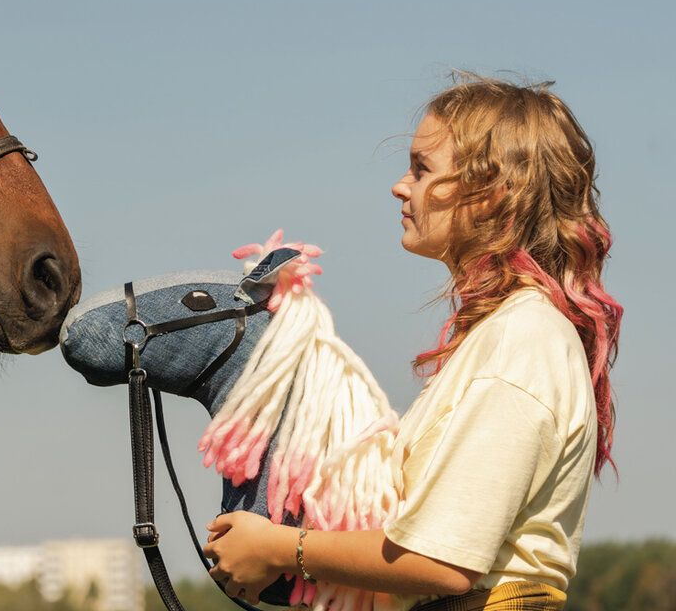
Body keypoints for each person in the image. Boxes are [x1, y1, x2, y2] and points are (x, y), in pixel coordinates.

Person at [202, 75, 622, 611]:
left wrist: (281, 547)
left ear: (491, 195)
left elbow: (444, 560)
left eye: (422, 169)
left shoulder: (523, 337)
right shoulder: (508, 333)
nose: (401, 186)